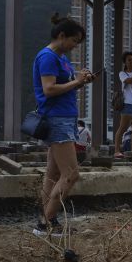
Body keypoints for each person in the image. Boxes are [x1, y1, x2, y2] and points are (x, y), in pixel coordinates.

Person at [32, 14, 95, 236]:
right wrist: (77, 81)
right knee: (71, 174)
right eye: (74, 41)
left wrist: (79, 81)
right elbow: (48, 89)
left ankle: (48, 220)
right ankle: (44, 223)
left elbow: (64, 86)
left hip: (64, 117)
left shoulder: (61, 58)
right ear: (61, 36)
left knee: (52, 174)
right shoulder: (48, 57)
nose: (74, 46)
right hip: (57, 119)